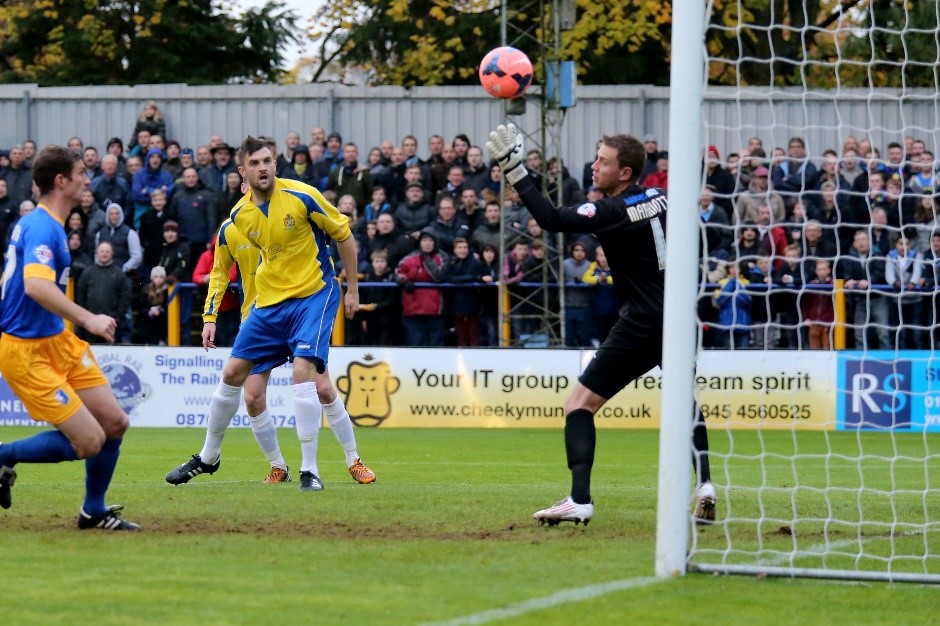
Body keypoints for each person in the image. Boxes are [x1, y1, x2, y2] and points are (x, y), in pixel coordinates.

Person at [486, 124, 715, 525]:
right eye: (596, 158)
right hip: (679, 317)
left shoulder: (612, 210)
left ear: (625, 173)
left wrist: (516, 171)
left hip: (642, 321)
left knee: (579, 404)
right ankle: (707, 485)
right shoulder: (662, 196)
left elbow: (551, 219)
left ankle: (579, 499)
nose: (594, 167)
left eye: (603, 162)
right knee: (683, 402)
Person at [165, 136, 374, 492]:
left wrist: (352, 288)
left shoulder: (302, 195)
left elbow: (344, 234)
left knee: (309, 379)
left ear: (275, 164)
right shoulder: (236, 220)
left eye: (268, 161)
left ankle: (320, 468)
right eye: (256, 163)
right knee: (236, 378)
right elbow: (222, 272)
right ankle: (212, 457)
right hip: (267, 307)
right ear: (242, 173)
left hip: (313, 296)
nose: (263, 167)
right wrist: (210, 316)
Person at [0, 145, 140, 530]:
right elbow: (35, 287)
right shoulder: (42, 226)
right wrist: (89, 319)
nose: (86, 179)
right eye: (80, 173)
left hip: (57, 341)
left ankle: (93, 511)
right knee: (89, 442)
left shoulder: (45, 226)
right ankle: (3, 455)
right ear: (61, 181)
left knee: (114, 423)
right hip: (27, 351)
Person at [74, 241, 132, 345]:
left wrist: (118, 317)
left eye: (107, 251)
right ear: (97, 253)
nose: (104, 254)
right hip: (91, 322)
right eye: (102, 251)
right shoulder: (88, 272)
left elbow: (125, 297)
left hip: (111, 324)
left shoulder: (119, 274)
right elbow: (80, 293)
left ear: (112, 254)